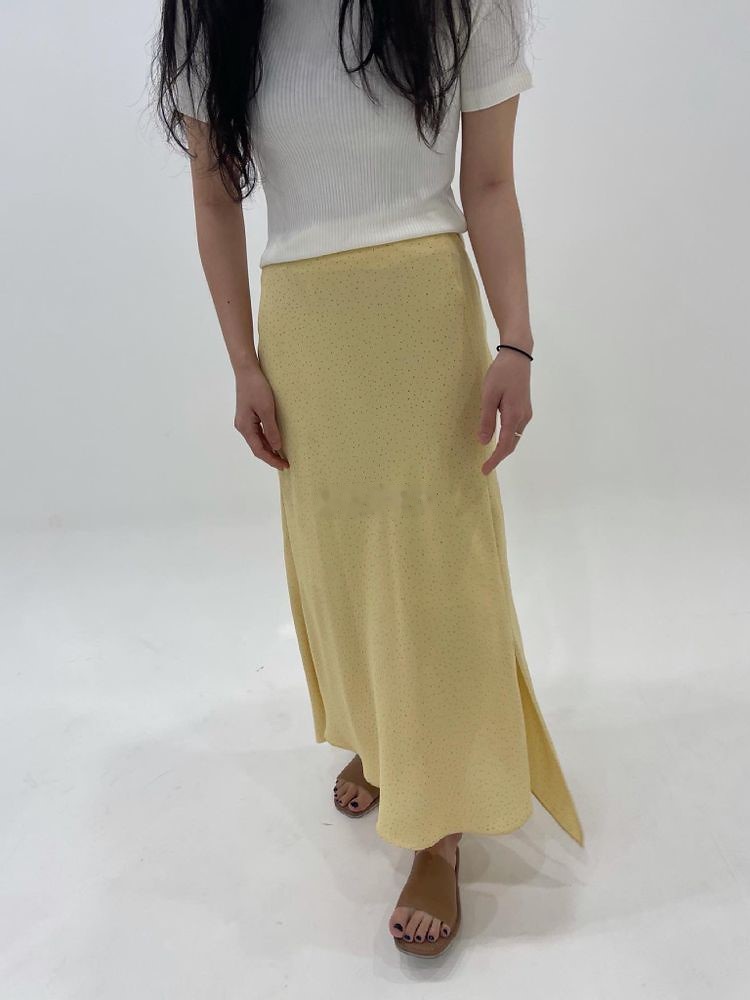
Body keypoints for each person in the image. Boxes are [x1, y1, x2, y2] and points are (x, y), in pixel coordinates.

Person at [154, 0, 584, 958]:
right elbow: (215, 199)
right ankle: (387, 739)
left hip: (423, 313)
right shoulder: (211, 16)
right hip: (304, 324)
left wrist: (516, 340)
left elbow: (490, 182)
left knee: (430, 572)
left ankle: (439, 829)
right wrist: (243, 362)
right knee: (339, 559)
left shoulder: (461, 5)